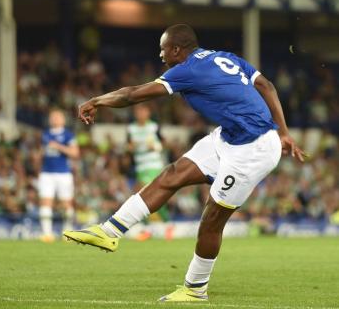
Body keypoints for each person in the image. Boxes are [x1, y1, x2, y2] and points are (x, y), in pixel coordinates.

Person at [63, 24, 305, 302]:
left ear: (177, 50)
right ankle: (109, 232)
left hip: (254, 148)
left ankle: (195, 288)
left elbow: (133, 94)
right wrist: (284, 131)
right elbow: (266, 85)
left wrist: (96, 101)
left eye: (163, 49)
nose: (161, 55)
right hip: (229, 137)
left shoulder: (187, 70)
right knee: (172, 174)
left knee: (212, 218)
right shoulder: (224, 57)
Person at [126, 104, 173, 241]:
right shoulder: (131, 128)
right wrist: (130, 147)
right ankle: (166, 225)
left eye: (143, 111)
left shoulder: (153, 126)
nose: (140, 114)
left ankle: (147, 229)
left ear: (148, 113)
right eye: (138, 111)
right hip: (141, 167)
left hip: (154, 166)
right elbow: (127, 146)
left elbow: (164, 144)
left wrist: (156, 146)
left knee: (142, 195)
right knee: (150, 197)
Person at [38, 109, 80, 242]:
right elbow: (42, 153)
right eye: (52, 116)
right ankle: (47, 233)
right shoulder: (45, 134)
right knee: (46, 202)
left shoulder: (68, 135)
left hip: (63, 173)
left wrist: (58, 146)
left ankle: (67, 232)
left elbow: (75, 153)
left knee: (66, 203)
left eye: (57, 116)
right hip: (46, 173)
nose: (54, 119)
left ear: (63, 119)